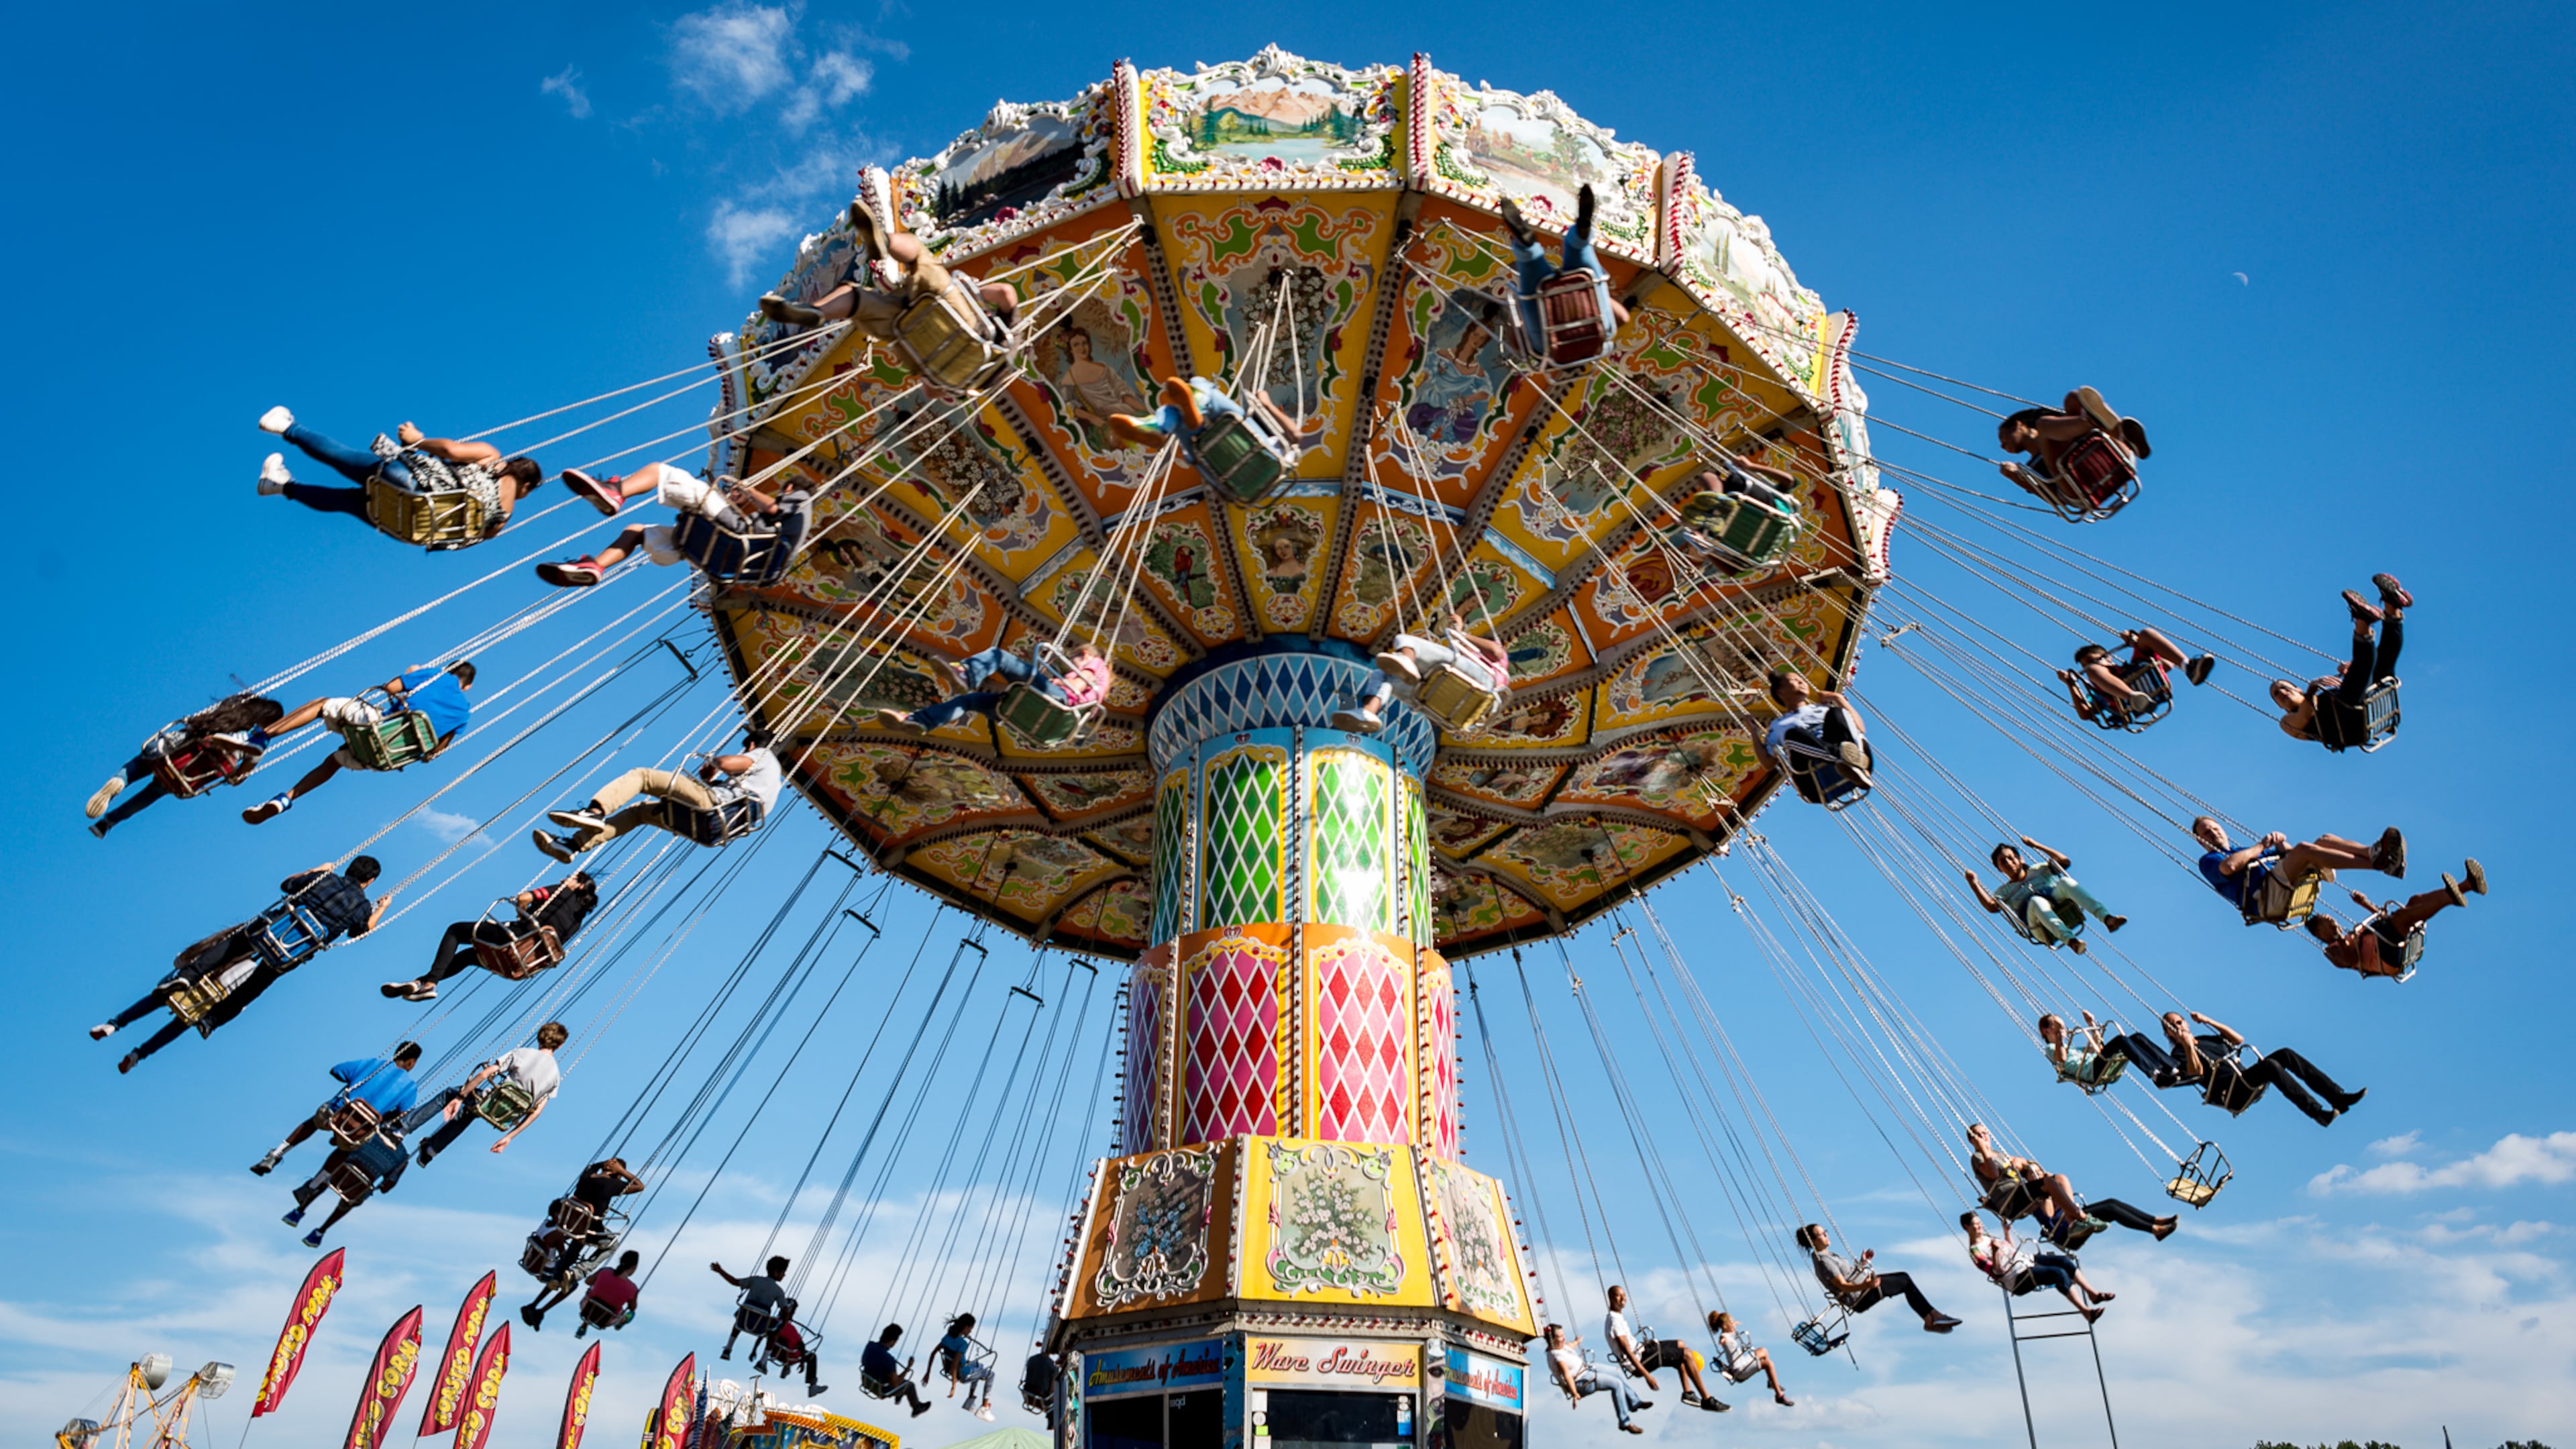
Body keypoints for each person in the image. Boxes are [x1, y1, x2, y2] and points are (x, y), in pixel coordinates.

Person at [91, 858, 387, 1073]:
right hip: (287, 955)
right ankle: (207, 1023)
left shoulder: (325, 879)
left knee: (228, 948)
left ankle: (128, 1015)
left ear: (349, 869)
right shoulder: (362, 906)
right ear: (370, 882)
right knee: (249, 991)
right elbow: (360, 932)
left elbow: (287, 884)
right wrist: (381, 908)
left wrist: (317, 871)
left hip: (266, 931)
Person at [235, 662, 478, 824]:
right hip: (386, 756)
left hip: (375, 728)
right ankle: (284, 800)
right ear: (468, 687)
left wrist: (414, 671)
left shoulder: (436, 675)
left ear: (448, 670)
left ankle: (261, 737)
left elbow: (391, 687)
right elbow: (435, 751)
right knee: (333, 762)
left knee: (322, 704)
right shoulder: (464, 713)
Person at [255, 407, 543, 541]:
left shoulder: (493, 458)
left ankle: (286, 428)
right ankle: (281, 486)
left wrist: (416, 440)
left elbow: (452, 451)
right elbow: (477, 537)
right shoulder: (504, 516)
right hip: (411, 525)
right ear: (527, 486)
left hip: (416, 485)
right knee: (345, 502)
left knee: (343, 458)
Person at [760, 203, 1019, 348]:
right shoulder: (969, 375)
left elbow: (1006, 293)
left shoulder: (1001, 334)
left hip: (937, 318)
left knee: (917, 255)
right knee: (862, 301)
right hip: (918, 342)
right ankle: (817, 312)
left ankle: (819, 311)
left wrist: (975, 292)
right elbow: (932, 391)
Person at [534, 464, 810, 588]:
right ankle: (595, 567)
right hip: (731, 562)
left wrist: (747, 490)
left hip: (740, 535)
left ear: (788, 488)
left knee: (661, 472)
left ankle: (617, 491)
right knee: (637, 531)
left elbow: (774, 509)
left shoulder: (802, 498)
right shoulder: (797, 536)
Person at [533, 729, 783, 859]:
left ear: (750, 745)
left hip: (712, 807)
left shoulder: (761, 755)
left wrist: (715, 761)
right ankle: (575, 845)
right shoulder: (773, 782)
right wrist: (711, 779)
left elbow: (729, 764)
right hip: (716, 829)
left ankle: (595, 812)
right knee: (639, 813)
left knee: (643, 776)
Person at [85, 692, 284, 838]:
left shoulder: (231, 713)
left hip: (172, 752)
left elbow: (195, 721)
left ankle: (120, 781)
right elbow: (238, 779)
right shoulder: (256, 748)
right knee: (151, 794)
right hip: (188, 775)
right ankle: (107, 823)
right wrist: (234, 775)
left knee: (141, 763)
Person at [383, 872, 600, 1001]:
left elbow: (525, 897)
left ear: (579, 884)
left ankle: (429, 985)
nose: (565, 878)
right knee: (468, 957)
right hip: (522, 962)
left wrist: (521, 912)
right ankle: (421, 983)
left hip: (514, 939)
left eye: (571, 877)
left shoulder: (560, 891)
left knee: (456, 930)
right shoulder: (577, 921)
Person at [1966, 1122, 2176, 1244]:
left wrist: (2029, 1167)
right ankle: (2077, 1219)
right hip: (2051, 1226)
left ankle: (2156, 1224)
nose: (1986, 1136)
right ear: (1974, 1139)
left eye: (1986, 1133)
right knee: (2050, 1183)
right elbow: (1994, 1174)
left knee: (2108, 1203)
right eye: (1980, 1134)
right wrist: (1983, 1148)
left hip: (2064, 1218)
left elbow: (2021, 1162)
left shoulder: (2001, 1156)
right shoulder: (1978, 1158)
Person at [2155, 1010, 2362, 1126]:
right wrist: (2188, 1046)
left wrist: (2208, 1020)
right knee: (2271, 1066)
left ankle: (2338, 1097)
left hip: (2244, 1078)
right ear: (2169, 1034)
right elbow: (2195, 1072)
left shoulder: (2206, 1038)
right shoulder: (2178, 1054)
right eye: (2172, 1026)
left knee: (2286, 1054)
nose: (2178, 1027)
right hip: (2231, 1091)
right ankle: (2317, 1113)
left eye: (2179, 1022)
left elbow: (2237, 1040)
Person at [2273, 575, 2410, 749]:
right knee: (2351, 693)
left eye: (2285, 687)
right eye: (2277, 694)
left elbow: (2356, 681)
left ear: (2298, 689)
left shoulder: (2324, 696)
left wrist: (2350, 671)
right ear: (2279, 706)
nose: (2282, 692)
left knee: (2382, 662)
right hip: (2349, 726)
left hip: (2364, 701)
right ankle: (2363, 620)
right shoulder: (2287, 722)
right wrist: (2313, 689)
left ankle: (2393, 605)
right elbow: (2305, 717)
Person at [250, 1042, 423, 1175]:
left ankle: (276, 1154)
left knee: (313, 1123)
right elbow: (403, 1115)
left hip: (337, 1114)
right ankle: (316, 1183)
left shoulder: (372, 1064)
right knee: (344, 1151)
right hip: (358, 1131)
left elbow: (336, 1070)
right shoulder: (409, 1088)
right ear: (411, 1062)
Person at [407, 1022, 568, 1164]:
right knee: (468, 1113)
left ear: (539, 1038)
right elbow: (537, 1112)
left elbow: (484, 1074)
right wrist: (509, 1137)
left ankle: (404, 1128)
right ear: (560, 1045)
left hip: (489, 1101)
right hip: (506, 1115)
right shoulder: (555, 1075)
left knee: (450, 1094)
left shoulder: (523, 1054)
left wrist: (460, 1097)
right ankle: (431, 1151)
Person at [2192, 816, 2409, 920]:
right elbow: (2229, 867)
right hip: (2266, 899)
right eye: (2207, 833)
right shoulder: (2209, 861)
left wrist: (2278, 843)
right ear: (2201, 841)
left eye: (2214, 828)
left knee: (2325, 840)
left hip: (2280, 884)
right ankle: (2378, 865)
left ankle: (2374, 854)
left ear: (2223, 829)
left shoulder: (2245, 850)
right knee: (2306, 850)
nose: (2213, 833)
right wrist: (2261, 845)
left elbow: (2287, 853)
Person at [1498, 184, 1629, 356]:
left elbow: (1623, 317)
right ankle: (1527, 246)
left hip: (1591, 320)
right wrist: (1516, 317)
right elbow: (1518, 343)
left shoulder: (1603, 337)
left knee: (1587, 271)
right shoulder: (1546, 356)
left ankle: (1581, 236)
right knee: (1532, 287)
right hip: (1549, 338)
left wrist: (1601, 296)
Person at [876, 641, 1113, 735]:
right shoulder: (1099, 695)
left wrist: (1057, 682)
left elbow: (1078, 684)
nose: (1071, 663)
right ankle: (919, 722)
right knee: (971, 701)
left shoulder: (1096, 664)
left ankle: (966, 674)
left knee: (999, 656)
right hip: (1050, 724)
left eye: (1074, 658)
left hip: (1060, 702)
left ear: (1083, 654)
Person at [1332, 612, 1511, 733]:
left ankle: (1407, 661)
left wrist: (1462, 634)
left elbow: (1495, 652)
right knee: (1382, 675)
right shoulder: (1469, 658)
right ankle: (1368, 712)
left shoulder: (1496, 660)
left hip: (1482, 683)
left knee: (1405, 640)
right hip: (1448, 697)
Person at [2306, 860, 2487, 978]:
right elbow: (2351, 958)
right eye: (2327, 922)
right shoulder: (2332, 951)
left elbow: (2383, 918)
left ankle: (2468, 885)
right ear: (2320, 932)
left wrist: (2365, 904)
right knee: (2401, 919)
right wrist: (2337, 936)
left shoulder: (2352, 934)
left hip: (2387, 941)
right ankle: (2450, 898)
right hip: (2385, 957)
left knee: (2414, 901)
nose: (2334, 922)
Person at [1104, 373, 1322, 460]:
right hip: (1228, 452)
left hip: (1213, 450)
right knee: (1187, 403)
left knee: (1184, 401)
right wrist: (1267, 404)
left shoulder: (1270, 439)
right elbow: (1295, 434)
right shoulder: (1277, 446)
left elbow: (1295, 435)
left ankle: (1154, 426)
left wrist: (1265, 404)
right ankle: (1192, 403)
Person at [1966, 837, 2125, 953]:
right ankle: (2072, 941)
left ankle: (2107, 918)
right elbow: (1992, 908)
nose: (2009, 863)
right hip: (2039, 925)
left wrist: (2036, 845)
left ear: (2020, 859)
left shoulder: (2039, 870)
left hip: (2058, 903)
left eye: (2011, 858)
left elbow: (2064, 862)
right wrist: (1974, 884)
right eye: (2003, 862)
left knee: (2065, 883)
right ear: (2000, 869)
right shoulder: (2004, 892)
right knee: (2036, 901)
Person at [1995, 388, 2149, 501]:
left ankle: (2115, 432)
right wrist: (2014, 476)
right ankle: (2098, 424)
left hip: (2113, 457)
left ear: (2019, 425)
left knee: (2074, 397)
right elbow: (2049, 495)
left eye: (2003, 438)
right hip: (2077, 489)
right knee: (2044, 426)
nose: (2002, 446)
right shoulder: (2030, 467)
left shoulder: (2056, 428)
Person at [1798, 1224, 1958, 1332]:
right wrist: (1867, 1286)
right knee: (1904, 1281)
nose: (1826, 1235)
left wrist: (1862, 1264)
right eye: (1821, 1234)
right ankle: (1932, 1318)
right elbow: (1843, 1286)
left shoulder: (1828, 1255)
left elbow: (1848, 1276)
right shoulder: (1824, 1261)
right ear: (1813, 1241)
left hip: (1863, 1291)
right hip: (1860, 1297)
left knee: (1904, 1279)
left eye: (1825, 1231)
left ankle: (1931, 1319)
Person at [280, 1118, 409, 1249]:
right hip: (357, 1189)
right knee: (354, 1199)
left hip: (340, 1172)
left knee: (330, 1171)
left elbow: (336, 1143)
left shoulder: (371, 1133)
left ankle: (299, 1211)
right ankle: (321, 1232)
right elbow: (386, 1188)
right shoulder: (403, 1157)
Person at [1964, 1212, 2108, 1323]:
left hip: (2026, 1261)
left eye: (1980, 1223)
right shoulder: (1976, 1252)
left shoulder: (1989, 1237)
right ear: (1967, 1227)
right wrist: (1995, 1252)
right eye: (1976, 1224)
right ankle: (2086, 1312)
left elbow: (2012, 1250)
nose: (1980, 1226)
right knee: (2058, 1273)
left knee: (2064, 1261)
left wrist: (2006, 1232)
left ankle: (2092, 1293)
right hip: (2017, 1277)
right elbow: (1998, 1271)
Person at [2058, 626, 2214, 726]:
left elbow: (2166, 665)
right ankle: (2133, 698)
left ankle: (2188, 667)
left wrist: (2135, 642)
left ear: (2108, 657)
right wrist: (2071, 685)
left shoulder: (2130, 668)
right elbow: (2086, 714)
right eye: (2085, 667)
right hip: (2122, 703)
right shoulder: (2098, 690)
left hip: (2144, 682)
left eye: (2094, 661)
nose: (2091, 667)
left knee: (2146, 634)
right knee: (2094, 672)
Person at [1602, 1285, 1723, 1411]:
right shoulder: (1614, 1322)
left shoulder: (1617, 1316)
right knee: (1687, 1354)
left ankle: (1688, 1392)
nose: (1623, 1298)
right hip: (1641, 1360)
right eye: (1618, 1295)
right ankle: (1707, 1399)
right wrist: (1647, 1376)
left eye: (1624, 1295)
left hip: (1642, 1351)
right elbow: (1628, 1352)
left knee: (1680, 1344)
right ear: (1610, 1298)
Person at [1761, 669, 1872, 796]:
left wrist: (1837, 698)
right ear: (1780, 691)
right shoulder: (1778, 725)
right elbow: (1768, 763)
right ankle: (1842, 759)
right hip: (1812, 778)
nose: (1801, 682)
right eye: (1795, 680)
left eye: (1801, 679)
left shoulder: (1823, 709)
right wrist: (1753, 733)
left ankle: (1852, 758)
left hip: (1840, 752)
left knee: (1837, 713)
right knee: (1792, 735)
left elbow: (1860, 729)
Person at [1542, 1323, 1649, 1435]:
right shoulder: (1556, 1357)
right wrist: (1574, 1394)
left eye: (1563, 1335)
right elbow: (1567, 1375)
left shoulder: (1561, 1347)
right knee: (1617, 1384)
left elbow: (1570, 1346)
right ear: (1552, 1340)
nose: (1564, 1338)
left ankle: (1634, 1402)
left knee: (1617, 1372)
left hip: (1587, 1369)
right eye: (1560, 1336)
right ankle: (1625, 1422)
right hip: (1582, 1381)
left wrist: (1577, 1341)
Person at [2037, 1010, 2168, 1089]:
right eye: (2059, 1027)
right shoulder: (2051, 1048)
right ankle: (2155, 1075)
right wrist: (2059, 1036)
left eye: (2063, 1027)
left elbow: (2097, 1049)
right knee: (2121, 1041)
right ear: (2046, 1030)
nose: (2064, 1030)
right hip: (2091, 1071)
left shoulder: (2073, 1048)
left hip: (2097, 1065)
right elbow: (2062, 1058)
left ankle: (2168, 1068)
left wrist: (2091, 1024)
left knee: (2137, 1038)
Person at [714, 1256, 799, 1360]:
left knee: (740, 1317)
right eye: (783, 1272)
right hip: (761, 1326)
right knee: (774, 1333)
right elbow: (785, 1311)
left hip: (743, 1321)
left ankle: (728, 1348)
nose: (784, 1275)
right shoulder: (778, 1291)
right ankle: (763, 1361)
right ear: (776, 1272)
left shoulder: (755, 1280)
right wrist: (782, 1326)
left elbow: (734, 1282)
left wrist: (720, 1271)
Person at [1703, 1311, 1793, 1407]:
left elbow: (1730, 1332)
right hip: (1740, 1370)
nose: (1734, 1325)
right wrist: (1722, 1341)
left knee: (1763, 1351)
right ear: (1725, 1326)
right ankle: (1779, 1396)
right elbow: (1724, 1339)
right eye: (1732, 1323)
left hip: (1743, 1362)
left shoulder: (1729, 1334)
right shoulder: (1724, 1337)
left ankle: (1771, 1382)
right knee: (1768, 1364)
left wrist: (1734, 1323)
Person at [930, 1312, 996, 1421]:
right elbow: (955, 1364)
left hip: (958, 1370)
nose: (970, 1331)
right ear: (966, 1327)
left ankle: (970, 1401)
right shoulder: (962, 1343)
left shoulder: (947, 1338)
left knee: (978, 1365)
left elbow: (933, 1353)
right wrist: (953, 1387)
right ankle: (984, 1408)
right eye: (970, 1329)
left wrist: (927, 1374)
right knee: (991, 1374)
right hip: (964, 1374)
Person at [862, 1324, 932, 1417]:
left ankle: (900, 1395)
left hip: (867, 1382)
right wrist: (908, 1368)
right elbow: (896, 1384)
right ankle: (917, 1407)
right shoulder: (888, 1359)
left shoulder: (870, 1346)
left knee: (893, 1378)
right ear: (892, 1341)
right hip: (881, 1389)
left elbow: (863, 1361)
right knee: (910, 1385)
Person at [572, 1250, 643, 1338]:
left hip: (585, 1309)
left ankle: (583, 1327)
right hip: (607, 1320)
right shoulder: (633, 1289)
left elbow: (588, 1282)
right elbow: (632, 1308)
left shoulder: (605, 1271)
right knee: (630, 1314)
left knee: (594, 1299)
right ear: (634, 1267)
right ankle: (621, 1322)